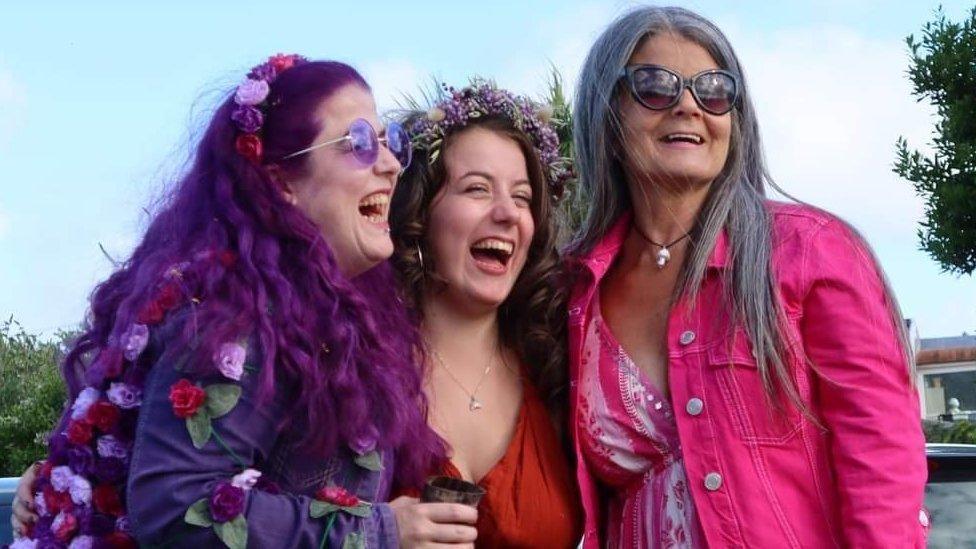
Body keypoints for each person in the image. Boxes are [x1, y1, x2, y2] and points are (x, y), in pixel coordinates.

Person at [9, 55, 478, 548]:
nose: (389, 164)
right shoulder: (233, 315)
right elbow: (176, 506)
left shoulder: (330, 315)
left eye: (389, 143)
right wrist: (379, 531)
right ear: (280, 184)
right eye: (358, 142)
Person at [566, 7, 927, 548]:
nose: (688, 105)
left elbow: (881, 465)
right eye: (654, 86)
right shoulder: (575, 291)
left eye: (714, 90)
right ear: (607, 118)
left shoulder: (812, 252)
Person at [389, 80, 583, 547]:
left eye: (521, 197)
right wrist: (365, 533)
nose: (507, 213)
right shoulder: (351, 362)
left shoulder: (560, 372)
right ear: (420, 213)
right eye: (477, 189)